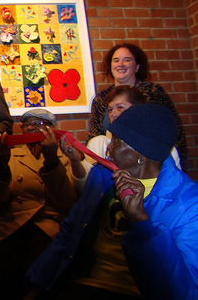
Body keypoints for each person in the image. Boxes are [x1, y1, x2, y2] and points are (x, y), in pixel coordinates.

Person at [24, 104, 198, 300]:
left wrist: (141, 222)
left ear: (141, 154)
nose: (108, 148)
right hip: (85, 284)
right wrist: (37, 284)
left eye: (117, 141)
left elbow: (184, 293)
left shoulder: (189, 204)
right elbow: (70, 231)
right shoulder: (104, 175)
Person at [0, 108, 78, 300]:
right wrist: (1, 166)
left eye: (39, 124)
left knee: (42, 267)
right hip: (11, 224)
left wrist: (51, 161)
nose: (32, 128)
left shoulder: (66, 156)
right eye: (27, 124)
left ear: (52, 129)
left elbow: (67, 201)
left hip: (48, 225)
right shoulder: (10, 153)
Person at [88, 43, 187, 171]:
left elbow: (175, 133)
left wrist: (178, 168)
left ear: (137, 67)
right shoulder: (101, 99)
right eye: (116, 60)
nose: (121, 64)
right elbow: (95, 136)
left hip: (152, 168)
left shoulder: (153, 93)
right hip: (112, 171)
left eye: (127, 60)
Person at [64, 85, 181, 191]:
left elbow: (173, 189)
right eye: (110, 109)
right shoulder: (98, 144)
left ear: (138, 110)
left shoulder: (162, 148)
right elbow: (88, 189)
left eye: (120, 107)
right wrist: (76, 162)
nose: (113, 114)